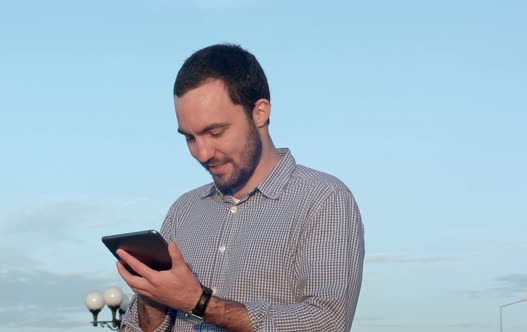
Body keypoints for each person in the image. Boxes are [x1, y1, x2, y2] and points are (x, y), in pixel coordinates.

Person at [117, 44, 364, 332]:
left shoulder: (323, 199)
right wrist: (152, 294)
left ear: (259, 112)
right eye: (189, 138)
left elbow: (327, 323)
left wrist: (199, 303)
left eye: (215, 132)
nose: (202, 152)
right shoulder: (183, 210)